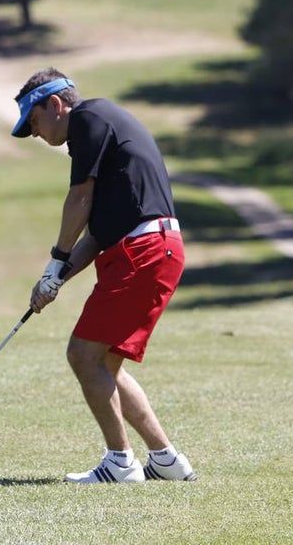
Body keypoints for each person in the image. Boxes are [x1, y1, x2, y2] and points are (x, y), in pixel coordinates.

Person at [11, 67, 196, 484]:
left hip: (144, 251)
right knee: (105, 363)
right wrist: (53, 279)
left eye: (35, 122)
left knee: (83, 354)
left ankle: (120, 462)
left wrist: (57, 256)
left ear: (55, 105)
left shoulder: (89, 119)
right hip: (147, 249)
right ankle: (166, 460)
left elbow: (79, 197)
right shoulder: (104, 130)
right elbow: (95, 234)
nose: (36, 134)